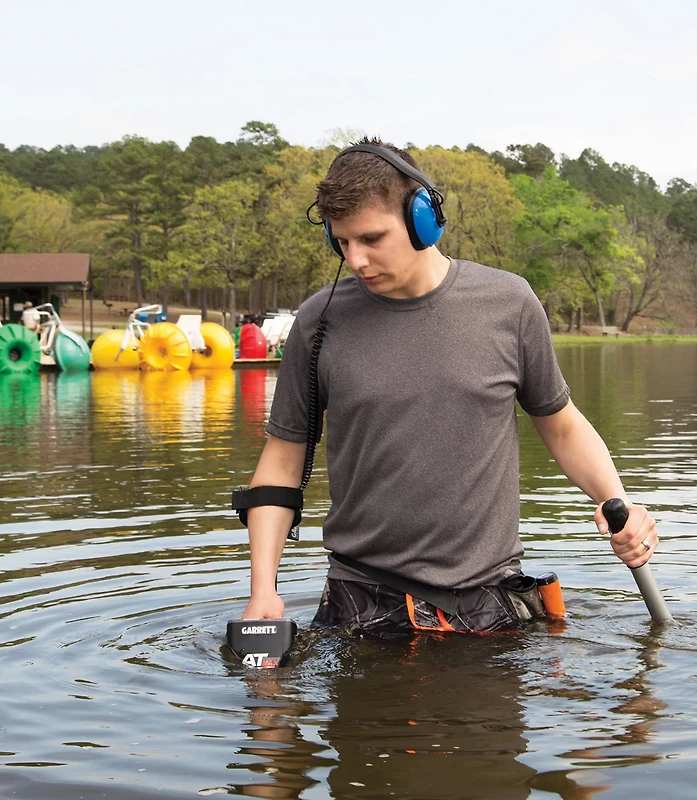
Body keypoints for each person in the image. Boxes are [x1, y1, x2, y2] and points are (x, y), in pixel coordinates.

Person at [238, 138, 659, 633]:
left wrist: (619, 502)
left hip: (489, 602)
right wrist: (263, 589)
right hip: (361, 604)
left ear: (423, 220)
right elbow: (283, 458)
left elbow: (561, 426)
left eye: (372, 238)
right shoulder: (319, 320)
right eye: (342, 241)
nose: (356, 260)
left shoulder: (509, 303)